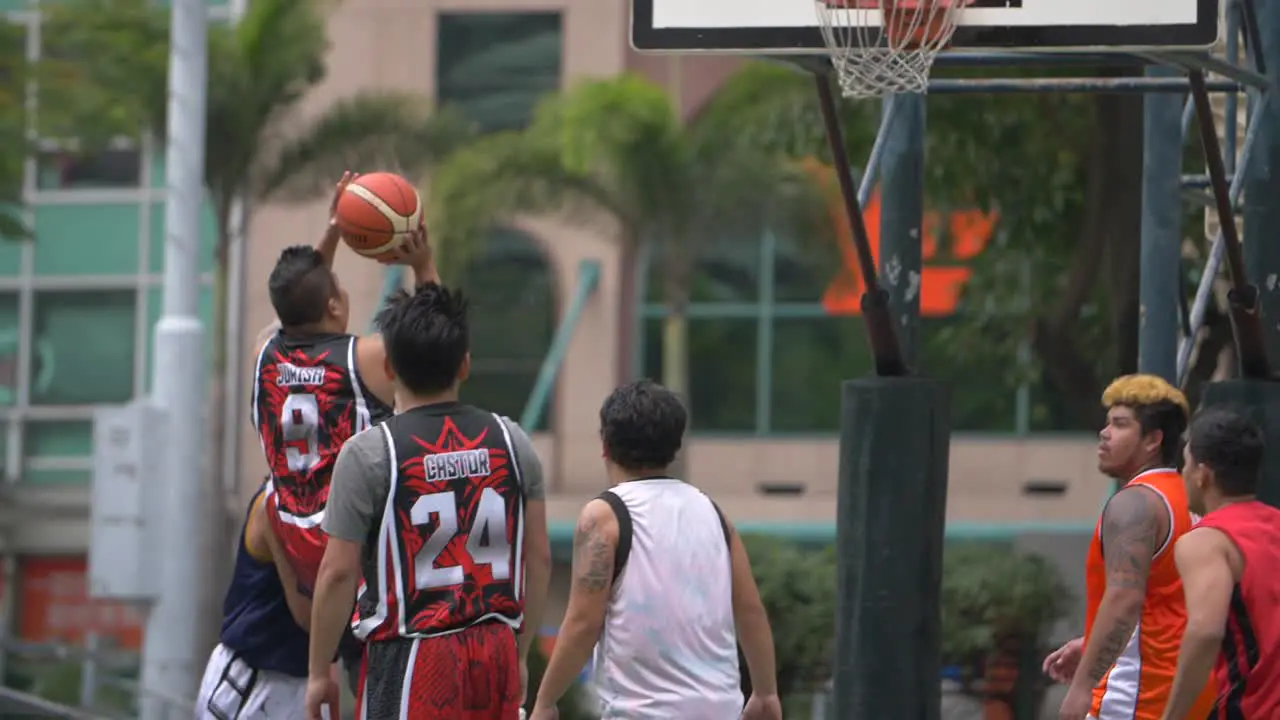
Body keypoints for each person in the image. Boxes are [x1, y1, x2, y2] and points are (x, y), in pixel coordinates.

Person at [304, 283, 552, 720]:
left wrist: (318, 669)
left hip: (413, 659)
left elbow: (338, 572)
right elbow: (540, 557)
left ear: (388, 367)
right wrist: (521, 650)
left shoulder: (369, 454)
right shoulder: (513, 442)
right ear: (466, 365)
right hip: (494, 649)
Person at [529, 380, 782, 720]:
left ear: (605, 445)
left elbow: (583, 623)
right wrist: (765, 693)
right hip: (720, 710)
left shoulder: (604, 517)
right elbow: (750, 610)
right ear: (674, 446)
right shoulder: (713, 514)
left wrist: (545, 701)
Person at [252, 172, 438, 595]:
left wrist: (334, 231)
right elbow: (433, 337)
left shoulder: (263, 353)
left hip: (294, 538)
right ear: (334, 304)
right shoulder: (365, 360)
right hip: (352, 542)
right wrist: (423, 264)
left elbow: (295, 305)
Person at [1043, 374, 1216, 720]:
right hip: (1191, 694)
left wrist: (1080, 688)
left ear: (1153, 439)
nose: (1104, 433)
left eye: (1120, 424)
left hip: (1134, 698)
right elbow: (1167, 601)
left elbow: (1125, 598)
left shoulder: (1134, 504)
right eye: (1107, 423)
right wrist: (1094, 643)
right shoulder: (1192, 500)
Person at [1161, 408, 1278, 720]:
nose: (1181, 473)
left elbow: (1205, 631)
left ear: (1203, 474)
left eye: (1185, 463)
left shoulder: (1206, 542)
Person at [195, 479, 313, 719]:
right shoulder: (278, 502)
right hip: (253, 679)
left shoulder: (318, 499)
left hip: (299, 679)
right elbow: (310, 617)